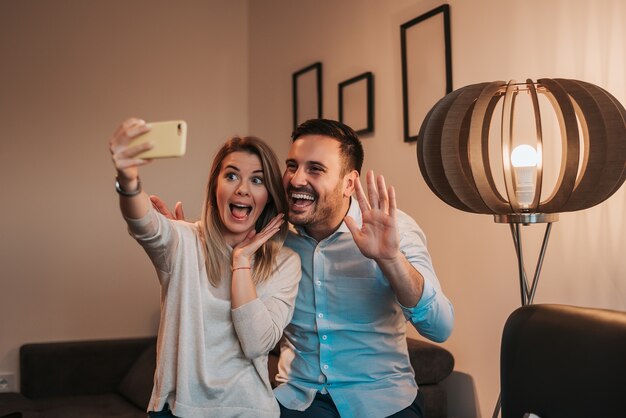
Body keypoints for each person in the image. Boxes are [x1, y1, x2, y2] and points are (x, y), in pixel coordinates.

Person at [153, 119, 454, 418]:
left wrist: (390, 260)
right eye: (292, 165)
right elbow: (225, 246)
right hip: (298, 400)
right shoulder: (273, 236)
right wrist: (191, 239)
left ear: (349, 183)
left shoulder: (391, 228)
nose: (297, 180)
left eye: (315, 169)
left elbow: (440, 327)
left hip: (382, 401)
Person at [109, 117, 301, 418]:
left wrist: (241, 262)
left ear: (268, 197)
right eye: (232, 176)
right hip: (177, 410)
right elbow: (144, 223)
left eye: (257, 180)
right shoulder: (183, 241)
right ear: (215, 186)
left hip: (249, 410)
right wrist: (128, 179)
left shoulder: (285, 262)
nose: (242, 189)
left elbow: (256, 344)